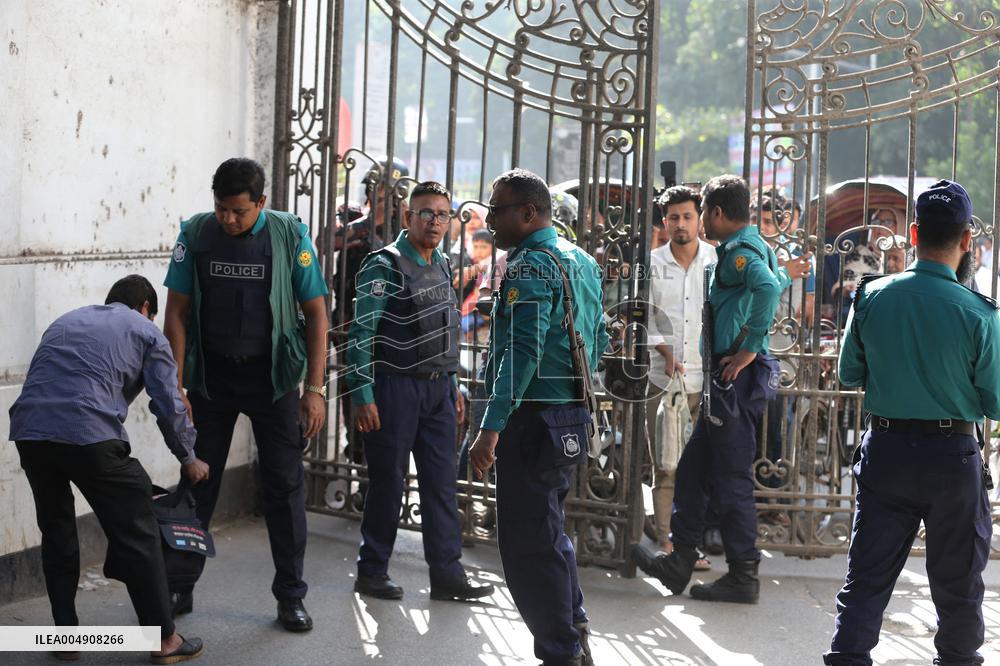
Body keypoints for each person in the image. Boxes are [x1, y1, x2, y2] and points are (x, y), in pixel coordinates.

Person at [824, 180, 999, 666]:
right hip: (953, 459)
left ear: (915, 233)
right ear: (967, 240)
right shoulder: (979, 314)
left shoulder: (872, 296)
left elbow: (848, 373)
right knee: (959, 585)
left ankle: (848, 657)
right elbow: (996, 401)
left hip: (887, 451)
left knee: (866, 580)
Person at [162, 158, 329, 631]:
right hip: (211, 380)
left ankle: (290, 596)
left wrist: (314, 389)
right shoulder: (196, 234)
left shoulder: (289, 236)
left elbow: (316, 313)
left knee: (284, 486)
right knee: (197, 483)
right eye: (221, 209)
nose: (228, 220)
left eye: (238, 211)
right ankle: (180, 585)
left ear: (261, 203)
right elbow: (175, 312)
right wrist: (175, 385)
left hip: (271, 380)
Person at [8, 275, 208, 663]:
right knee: (139, 531)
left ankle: (65, 638)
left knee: (57, 530)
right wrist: (189, 456)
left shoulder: (66, 321)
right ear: (146, 307)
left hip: (31, 433)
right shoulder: (145, 331)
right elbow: (168, 403)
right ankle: (165, 641)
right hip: (91, 435)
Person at [470, 168, 609, 666]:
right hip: (569, 414)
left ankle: (561, 651)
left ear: (528, 213)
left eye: (497, 210)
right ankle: (573, 628)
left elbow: (520, 352)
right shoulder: (580, 260)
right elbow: (600, 337)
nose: (488, 221)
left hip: (532, 417)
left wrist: (490, 427)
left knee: (529, 544)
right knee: (550, 531)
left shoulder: (529, 264)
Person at [632, 174, 783, 604]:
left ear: (715, 213)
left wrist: (749, 348)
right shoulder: (752, 247)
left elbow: (769, 287)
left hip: (731, 380)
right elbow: (778, 282)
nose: (699, 226)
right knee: (692, 470)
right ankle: (679, 559)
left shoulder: (738, 254)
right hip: (721, 382)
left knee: (731, 479)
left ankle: (742, 573)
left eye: (701, 215)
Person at [346, 180, 494, 603]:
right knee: (389, 484)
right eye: (425, 213)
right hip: (394, 390)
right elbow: (361, 333)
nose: (434, 221)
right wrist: (362, 393)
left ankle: (447, 577)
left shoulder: (444, 264)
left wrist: (452, 385)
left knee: (441, 485)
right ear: (408, 217)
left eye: (443, 214)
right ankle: (371, 571)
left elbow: (444, 329)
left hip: (438, 394)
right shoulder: (384, 265)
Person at [645, 186, 716, 560]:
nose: (681, 224)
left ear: (699, 219)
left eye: (687, 216)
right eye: (674, 217)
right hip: (661, 379)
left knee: (699, 468)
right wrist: (665, 350)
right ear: (665, 221)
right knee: (665, 465)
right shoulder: (653, 263)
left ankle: (692, 542)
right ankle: (667, 542)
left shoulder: (716, 261)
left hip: (705, 382)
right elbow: (642, 315)